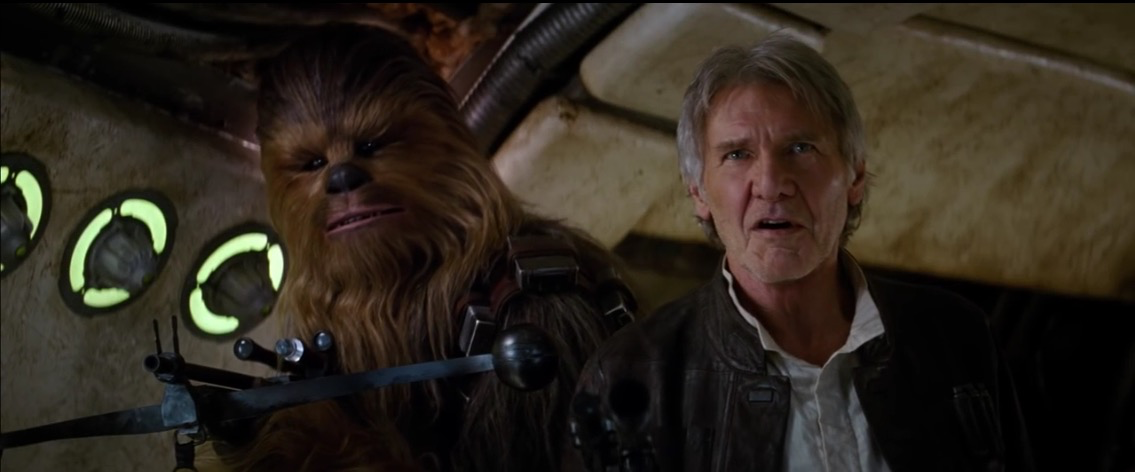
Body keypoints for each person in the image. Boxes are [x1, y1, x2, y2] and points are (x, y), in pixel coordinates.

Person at [568, 32, 1034, 472]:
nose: (771, 184)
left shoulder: (955, 336)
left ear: (854, 177)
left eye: (800, 147)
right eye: (737, 154)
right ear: (698, 193)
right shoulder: (631, 377)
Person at [207, 24, 638, 472]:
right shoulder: (322, 337)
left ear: (448, 146)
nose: (341, 178)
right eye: (312, 163)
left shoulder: (532, 303)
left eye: (371, 145)